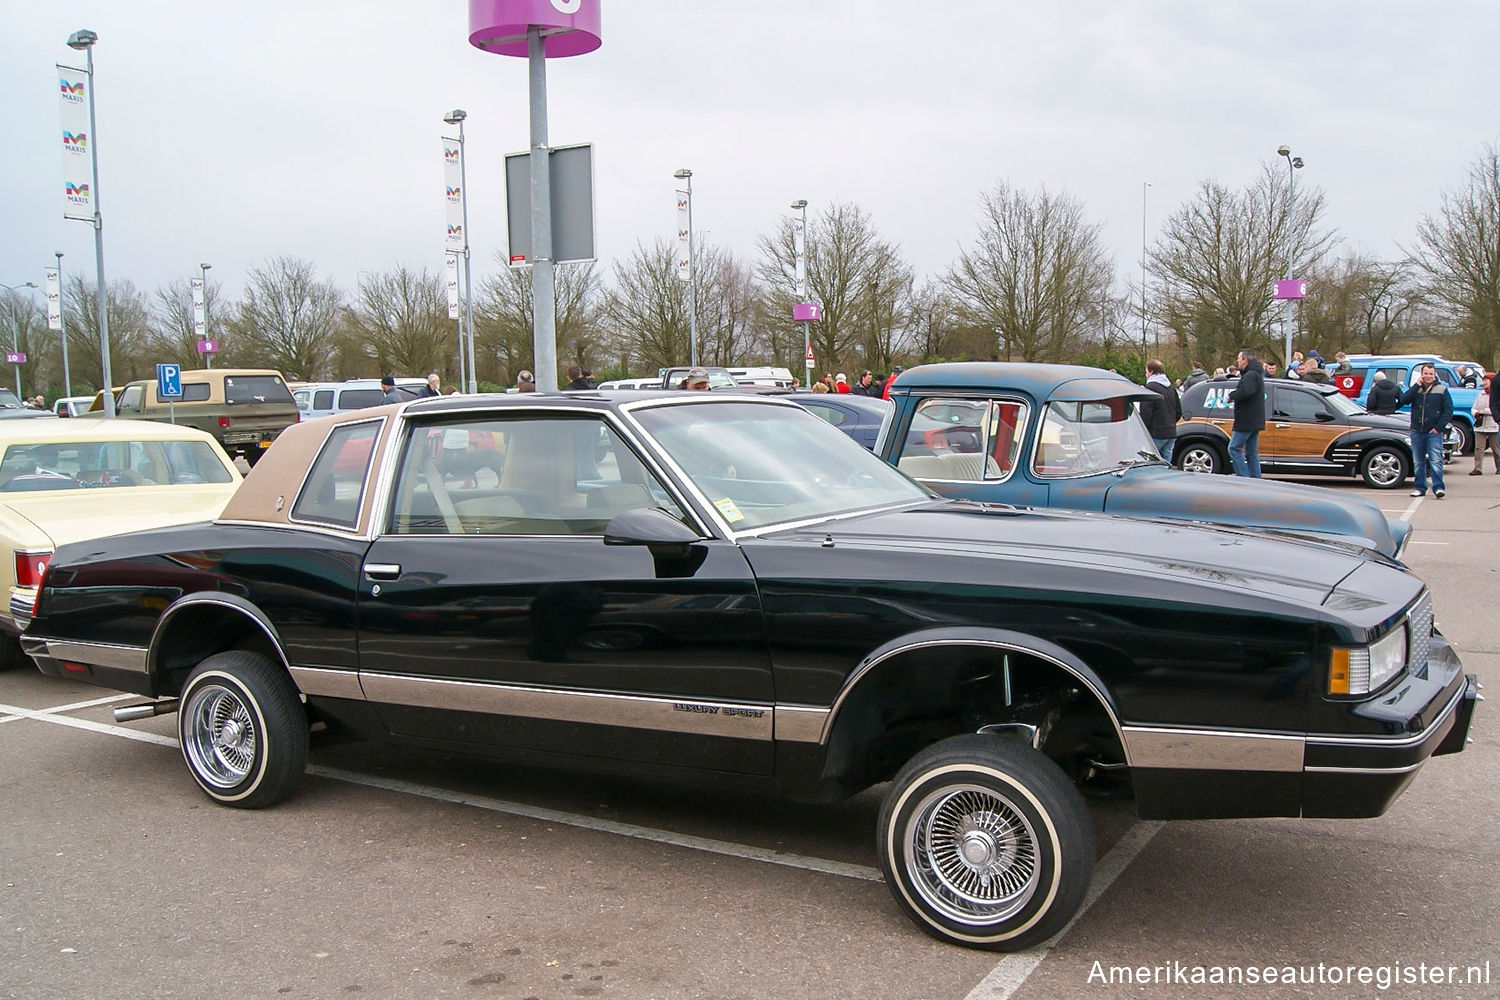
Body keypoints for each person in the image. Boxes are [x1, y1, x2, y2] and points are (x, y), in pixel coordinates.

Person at [1397, 362, 1452, 498]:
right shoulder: (1416, 389)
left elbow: (1448, 411)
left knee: (1435, 460)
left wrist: (1438, 427)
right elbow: (1403, 400)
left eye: (1431, 374)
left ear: (1435, 375)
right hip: (1417, 431)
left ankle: (1438, 487)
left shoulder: (1442, 390)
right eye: (1425, 373)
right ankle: (1420, 487)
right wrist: (1416, 385)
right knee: (1418, 462)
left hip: (1433, 432)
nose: (1428, 376)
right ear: (1421, 375)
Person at [1227, 348, 1265, 478]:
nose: (1237, 361)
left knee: (1233, 448)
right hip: (1255, 419)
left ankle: (1244, 477)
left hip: (1246, 419)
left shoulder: (1250, 375)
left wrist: (1232, 395)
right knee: (1251, 452)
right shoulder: (1256, 374)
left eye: (1238, 358)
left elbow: (1246, 391)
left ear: (1245, 360)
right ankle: (1255, 478)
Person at [1139, 359, 1181, 463]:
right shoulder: (1171, 388)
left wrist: (1143, 430)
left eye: (1146, 372)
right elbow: (1179, 411)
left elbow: (1145, 413)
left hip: (1155, 433)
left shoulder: (1150, 387)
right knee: (1166, 464)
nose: (1146, 375)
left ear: (1151, 371)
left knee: (1151, 464)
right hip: (1171, 433)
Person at [1470, 375, 1499, 475]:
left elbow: (1495, 407)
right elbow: (1473, 408)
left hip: (1493, 424)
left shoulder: (1496, 394)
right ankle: (1477, 468)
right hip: (1480, 425)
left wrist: (1485, 411)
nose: (1484, 382)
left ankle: (1498, 467)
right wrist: (1476, 413)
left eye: (1486, 380)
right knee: (1478, 448)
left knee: (1496, 448)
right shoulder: (1480, 394)